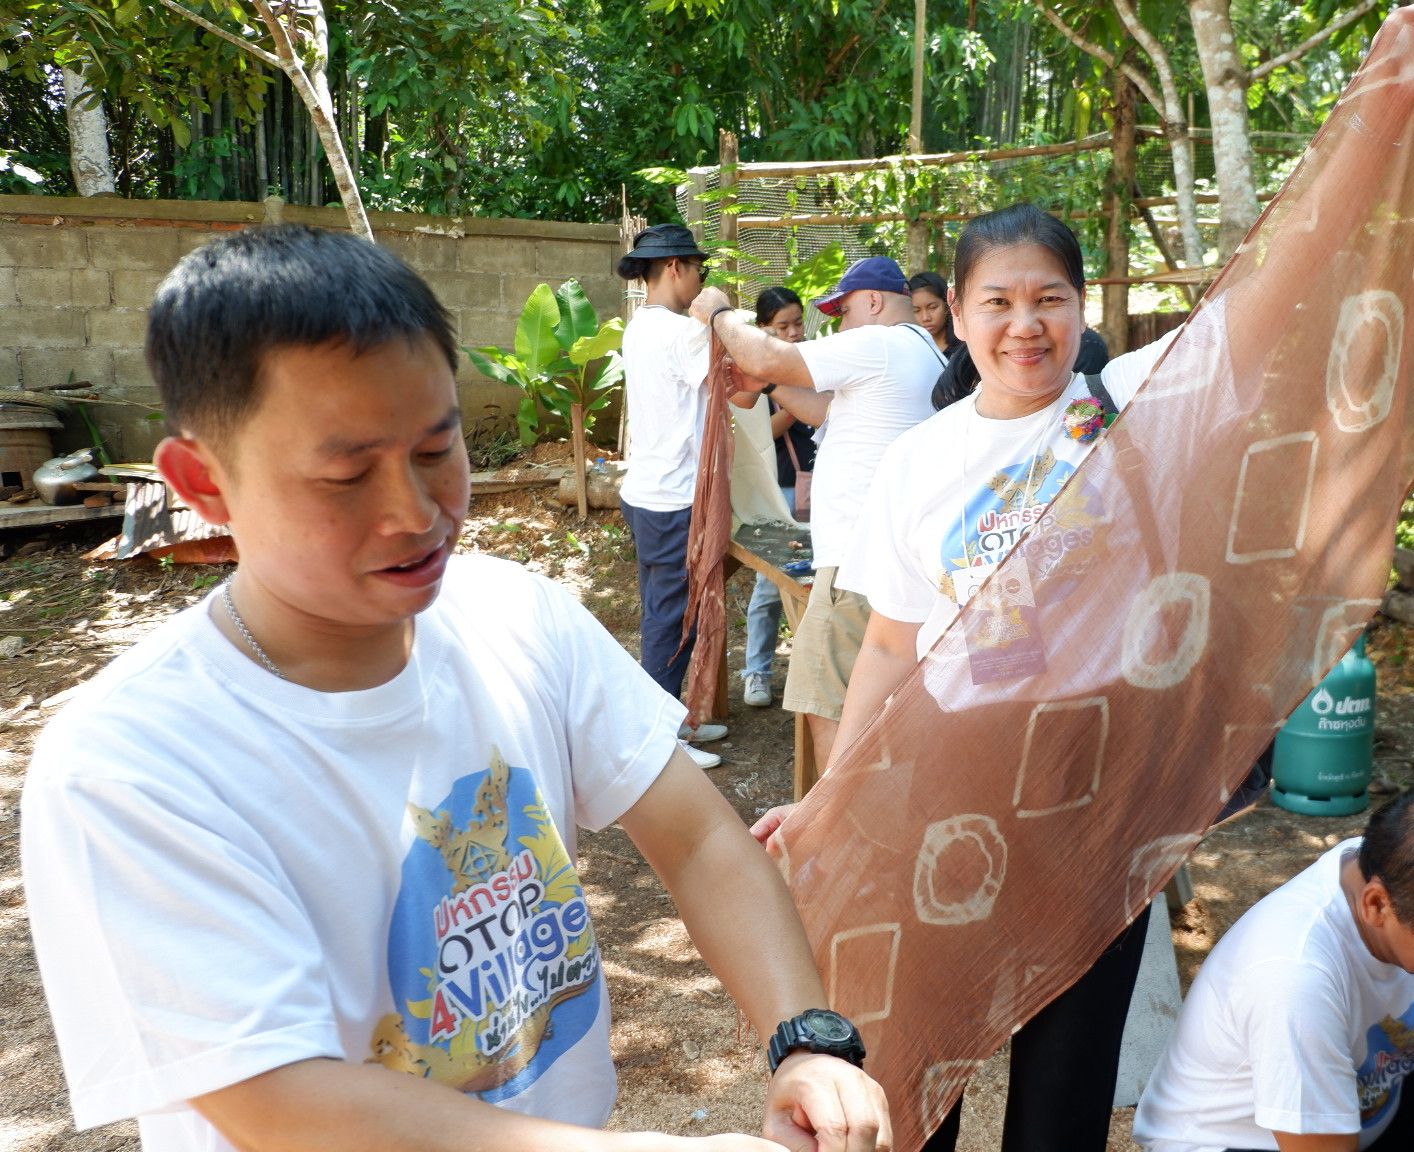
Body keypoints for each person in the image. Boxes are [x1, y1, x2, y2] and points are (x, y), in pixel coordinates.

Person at [20, 226, 890, 1152]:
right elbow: (284, 1102)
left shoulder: (518, 618)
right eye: (346, 474)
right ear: (204, 484)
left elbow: (701, 837)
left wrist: (807, 1041)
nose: (415, 512)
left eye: (437, 450)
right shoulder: (131, 763)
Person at [749, 203, 1179, 1152]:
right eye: (999, 302)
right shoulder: (920, 459)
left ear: (1082, 306)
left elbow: (1266, 321)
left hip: (1098, 805)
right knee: (913, 1073)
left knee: (1063, 1098)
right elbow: (892, 647)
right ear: (955, 314)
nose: (1026, 325)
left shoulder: (1135, 417)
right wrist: (835, 800)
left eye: (1049, 299)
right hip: (952, 803)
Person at [1134, 775, 1414, 1152]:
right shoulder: (1295, 979)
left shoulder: (1405, 871)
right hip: (1238, 1143)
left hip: (1350, 1118)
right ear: (1377, 905)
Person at [689, 255, 942, 761]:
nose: (839, 325)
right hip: (883, 556)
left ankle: (833, 821)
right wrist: (766, 384)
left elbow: (764, 356)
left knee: (824, 699)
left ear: (871, 302)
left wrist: (719, 314)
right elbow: (825, 411)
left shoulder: (881, 342)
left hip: (856, 560)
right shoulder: (922, 352)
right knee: (863, 699)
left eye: (844, 312)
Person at [614, 223, 727, 765]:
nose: (703, 279)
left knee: (665, 611)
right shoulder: (678, 332)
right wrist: (716, 314)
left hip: (647, 493)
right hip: (671, 499)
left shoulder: (641, 327)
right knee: (670, 617)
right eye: (699, 269)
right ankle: (659, 739)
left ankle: (671, 720)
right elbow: (731, 372)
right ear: (677, 267)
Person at [739, 285, 815, 708]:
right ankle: (756, 673)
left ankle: (809, 674)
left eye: (797, 323)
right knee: (769, 587)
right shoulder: (758, 375)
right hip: (783, 490)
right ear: (763, 329)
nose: (792, 333)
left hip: (821, 489)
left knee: (819, 587)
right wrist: (796, 401)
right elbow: (761, 435)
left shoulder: (813, 363)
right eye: (782, 326)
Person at [907, 269, 957, 353]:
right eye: (916, 310)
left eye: (932, 307)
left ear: (947, 303)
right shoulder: (910, 349)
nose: (925, 318)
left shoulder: (965, 348)